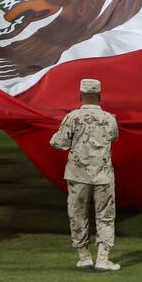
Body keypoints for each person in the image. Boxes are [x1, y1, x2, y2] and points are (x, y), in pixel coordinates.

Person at [50, 78, 121, 272]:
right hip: (103, 175)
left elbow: (59, 143)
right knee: (105, 216)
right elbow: (114, 137)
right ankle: (103, 259)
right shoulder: (110, 118)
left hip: (78, 175)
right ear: (100, 96)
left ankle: (84, 257)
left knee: (77, 214)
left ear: (80, 95)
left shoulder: (72, 117)